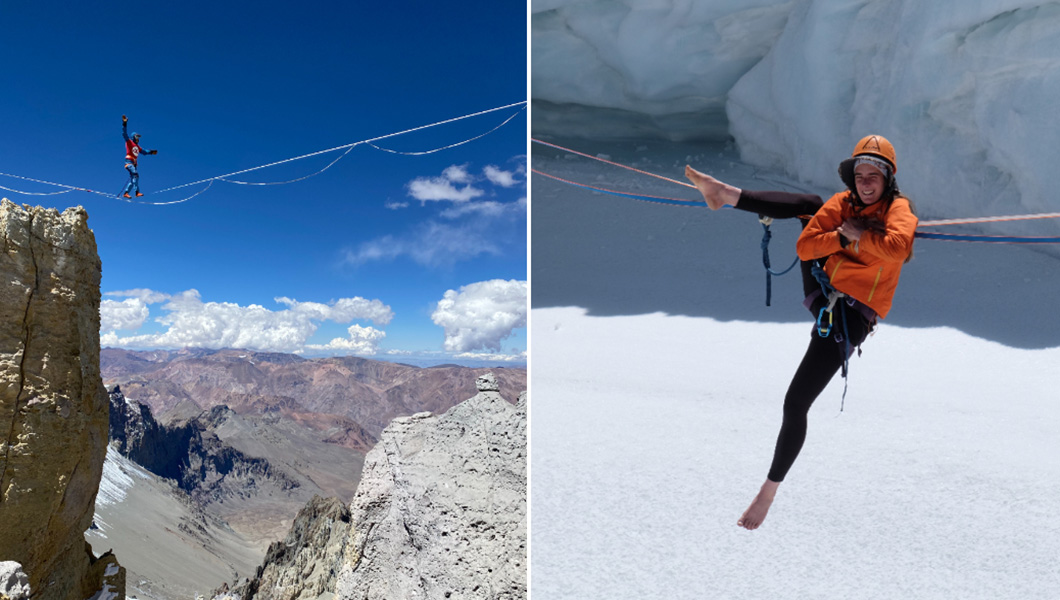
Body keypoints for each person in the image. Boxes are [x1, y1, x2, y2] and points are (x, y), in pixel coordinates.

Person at [684, 135, 918, 530]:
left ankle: (767, 492)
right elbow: (806, 248)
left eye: (873, 175)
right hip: (823, 291)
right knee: (811, 205)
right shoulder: (842, 204)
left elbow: (898, 248)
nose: (865, 183)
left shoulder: (899, 209)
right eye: (860, 175)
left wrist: (863, 235)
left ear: (887, 178)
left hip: (849, 318)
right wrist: (842, 235)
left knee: (795, 404)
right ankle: (724, 194)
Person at [121, 114, 158, 198]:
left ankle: (126, 193)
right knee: (135, 175)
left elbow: (144, 152)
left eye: (138, 137)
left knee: (134, 179)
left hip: (134, 164)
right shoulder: (129, 142)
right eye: (137, 136)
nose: (138, 138)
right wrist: (124, 123)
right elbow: (124, 134)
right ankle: (137, 192)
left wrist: (151, 152)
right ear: (133, 137)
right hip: (129, 162)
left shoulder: (138, 147)